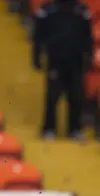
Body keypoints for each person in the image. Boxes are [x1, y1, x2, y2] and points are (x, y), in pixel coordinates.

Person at [32, 0, 93, 140]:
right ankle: (49, 129)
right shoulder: (46, 11)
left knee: (76, 96)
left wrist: (89, 56)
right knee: (52, 96)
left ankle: (75, 129)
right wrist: (36, 56)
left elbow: (88, 36)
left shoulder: (81, 10)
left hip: (76, 61)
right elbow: (38, 36)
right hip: (55, 59)